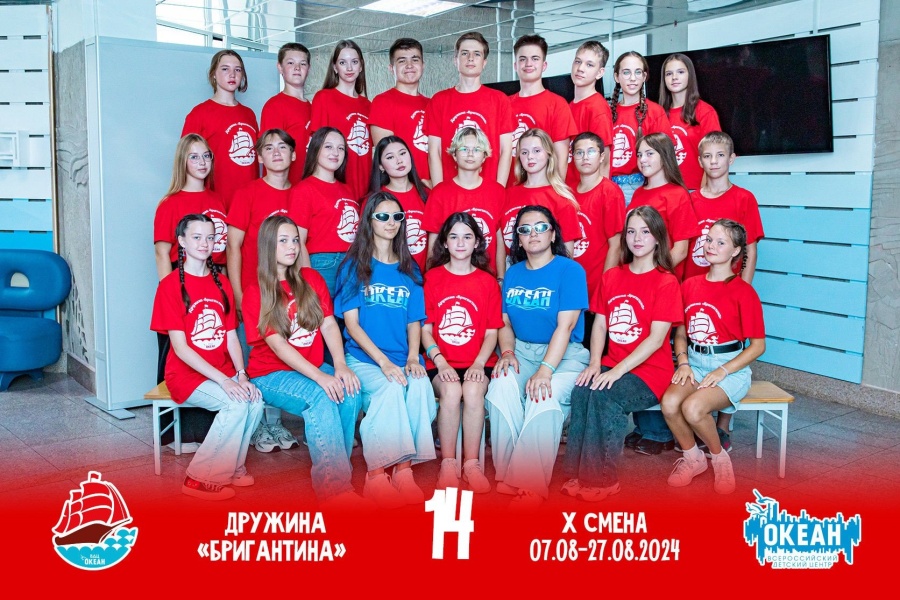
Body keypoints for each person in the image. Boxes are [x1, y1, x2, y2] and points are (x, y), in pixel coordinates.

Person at [241, 215, 367, 508]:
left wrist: (340, 366)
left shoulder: (311, 279)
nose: (292, 247)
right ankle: (335, 491)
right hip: (270, 373)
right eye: (283, 241)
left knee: (350, 391)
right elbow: (278, 346)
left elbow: (329, 325)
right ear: (268, 246)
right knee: (320, 396)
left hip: (310, 367)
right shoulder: (256, 292)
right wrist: (321, 377)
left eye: (295, 240)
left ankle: (338, 472)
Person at [561, 206, 682, 502]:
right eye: (631, 231)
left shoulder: (666, 281)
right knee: (582, 390)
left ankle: (603, 480)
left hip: (650, 373)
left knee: (606, 396)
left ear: (658, 238)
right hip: (612, 364)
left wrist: (616, 371)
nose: (637, 238)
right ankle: (576, 474)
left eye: (645, 231)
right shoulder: (612, 276)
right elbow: (600, 324)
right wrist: (595, 363)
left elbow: (656, 339)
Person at [150, 213, 264, 501]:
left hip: (222, 371)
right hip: (185, 375)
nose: (204, 243)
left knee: (255, 400)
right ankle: (199, 479)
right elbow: (181, 348)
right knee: (235, 404)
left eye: (210, 237)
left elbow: (231, 336)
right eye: (197, 237)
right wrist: (225, 381)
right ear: (182, 241)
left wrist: (241, 375)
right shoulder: (169, 286)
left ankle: (233, 468)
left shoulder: (222, 283)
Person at [335, 191, 437, 509]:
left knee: (419, 386)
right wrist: (383, 363)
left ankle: (404, 472)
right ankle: (376, 476)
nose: (391, 223)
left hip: (401, 358)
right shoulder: (354, 266)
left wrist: (413, 357)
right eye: (382, 216)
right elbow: (352, 325)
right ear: (369, 220)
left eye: (397, 217)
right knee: (392, 389)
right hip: (364, 359)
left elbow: (414, 321)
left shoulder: (410, 269)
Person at [486, 205, 590, 511]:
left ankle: (530, 486)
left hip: (565, 356)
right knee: (501, 385)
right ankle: (509, 473)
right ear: (518, 239)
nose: (533, 234)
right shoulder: (513, 273)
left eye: (541, 227)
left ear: (553, 234)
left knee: (542, 394)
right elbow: (504, 323)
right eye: (525, 229)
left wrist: (545, 370)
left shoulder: (570, 270)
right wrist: (507, 352)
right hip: (520, 350)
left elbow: (566, 326)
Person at [661, 219, 765, 494]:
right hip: (694, 363)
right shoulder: (689, 285)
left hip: (729, 368)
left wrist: (723, 371)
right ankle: (693, 459)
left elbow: (757, 346)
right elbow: (681, 333)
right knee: (669, 403)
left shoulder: (744, 292)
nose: (711, 246)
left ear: (735, 251)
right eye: (708, 240)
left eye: (720, 242)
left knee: (693, 408)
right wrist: (683, 362)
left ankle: (720, 459)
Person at [153, 134, 229, 447]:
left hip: (213, 280)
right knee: (181, 359)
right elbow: (162, 253)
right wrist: (175, 295)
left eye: (206, 156)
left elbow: (222, 251)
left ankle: (216, 438)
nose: (202, 162)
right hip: (182, 285)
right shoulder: (170, 203)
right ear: (183, 161)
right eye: (194, 156)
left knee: (214, 351)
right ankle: (179, 437)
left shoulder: (217, 200)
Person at [626, 132, 699, 455]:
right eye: (639, 154)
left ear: (664, 156)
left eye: (649, 154)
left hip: (661, 284)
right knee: (635, 345)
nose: (643, 160)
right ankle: (643, 426)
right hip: (636, 286)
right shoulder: (638, 193)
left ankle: (659, 432)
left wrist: (654, 274)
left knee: (659, 353)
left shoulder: (677, 194)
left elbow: (681, 247)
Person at [226, 129, 298, 452]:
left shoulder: (299, 194)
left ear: (293, 154)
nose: (276, 153)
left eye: (283, 147)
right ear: (259, 156)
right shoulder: (248, 193)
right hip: (254, 293)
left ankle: (275, 423)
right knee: (255, 359)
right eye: (268, 148)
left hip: (288, 294)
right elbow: (233, 247)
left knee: (278, 357)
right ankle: (256, 426)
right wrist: (240, 296)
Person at [422, 213, 503, 493]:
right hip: (440, 362)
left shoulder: (487, 282)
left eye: (467, 237)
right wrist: (440, 361)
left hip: (478, 361)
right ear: (444, 242)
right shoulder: (431, 279)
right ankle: (448, 464)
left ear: (477, 242)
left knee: (472, 390)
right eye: (453, 236)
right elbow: (425, 330)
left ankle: (471, 464)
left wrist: (479, 364)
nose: (460, 242)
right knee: (451, 391)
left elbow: (492, 332)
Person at [424, 31, 515, 187]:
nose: (470, 58)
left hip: (488, 190)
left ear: (484, 62)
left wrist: (498, 190)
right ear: (455, 60)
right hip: (451, 191)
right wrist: (440, 191)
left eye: (477, 54)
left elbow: (506, 151)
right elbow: (434, 152)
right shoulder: (439, 100)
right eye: (465, 53)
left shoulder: (500, 100)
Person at [422, 127, 506, 275]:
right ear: (454, 155)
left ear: (484, 156)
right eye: (464, 149)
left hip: (487, 278)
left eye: (477, 149)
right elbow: (433, 245)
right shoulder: (439, 193)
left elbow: (500, 241)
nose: (470, 154)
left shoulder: (497, 191)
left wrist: (500, 278)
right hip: (449, 278)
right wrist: (431, 278)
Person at [287, 127, 360, 298]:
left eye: (341, 148)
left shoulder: (348, 190)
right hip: (323, 265)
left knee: (349, 316)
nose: (335, 152)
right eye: (328, 146)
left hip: (353, 264)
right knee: (323, 314)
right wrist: (308, 281)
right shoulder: (304, 189)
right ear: (315, 149)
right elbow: (298, 241)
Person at [182, 49, 258, 210]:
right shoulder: (199, 113)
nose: (232, 74)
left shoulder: (249, 114)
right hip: (215, 204)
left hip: (249, 203)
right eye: (225, 69)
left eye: (237, 70)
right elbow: (185, 162)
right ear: (214, 74)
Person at [684, 131, 764, 284]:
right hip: (693, 287)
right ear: (700, 161)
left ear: (731, 158)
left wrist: (743, 289)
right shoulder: (688, 200)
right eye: (707, 156)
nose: (714, 161)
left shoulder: (744, 199)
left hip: (728, 287)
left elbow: (750, 250)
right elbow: (683, 249)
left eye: (720, 155)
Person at [570, 132, 625, 348]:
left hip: (596, 284)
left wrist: (605, 286)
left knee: (593, 348)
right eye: (579, 152)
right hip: (573, 284)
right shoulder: (567, 193)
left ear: (602, 157)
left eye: (591, 152)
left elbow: (616, 244)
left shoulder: (610, 192)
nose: (585, 157)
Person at [500, 128, 580, 276]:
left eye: (536, 151)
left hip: (548, 271)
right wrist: (501, 276)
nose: (530, 157)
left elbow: (567, 254)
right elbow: (500, 241)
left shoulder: (561, 199)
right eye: (524, 152)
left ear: (549, 154)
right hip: (512, 270)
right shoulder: (507, 194)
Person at [507, 34, 577, 184]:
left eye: (535, 58)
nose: (528, 63)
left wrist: (555, 193)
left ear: (544, 65)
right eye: (523, 59)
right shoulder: (504, 104)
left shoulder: (557, 104)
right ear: (515, 65)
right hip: (509, 190)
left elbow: (561, 158)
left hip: (542, 190)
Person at [608, 51, 673, 206]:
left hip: (641, 185)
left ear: (644, 77)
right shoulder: (606, 113)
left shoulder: (655, 111)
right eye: (626, 72)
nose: (632, 78)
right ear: (616, 77)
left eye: (638, 72)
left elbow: (665, 156)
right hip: (609, 186)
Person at [310, 40, 372, 201]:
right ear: (335, 67)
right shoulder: (324, 98)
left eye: (354, 62)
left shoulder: (368, 105)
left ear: (361, 66)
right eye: (343, 62)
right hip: (336, 187)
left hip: (365, 187)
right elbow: (317, 148)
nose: (349, 68)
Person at [369, 38, 431, 187]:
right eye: (402, 61)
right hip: (404, 189)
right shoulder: (383, 102)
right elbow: (387, 154)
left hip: (432, 188)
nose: (409, 65)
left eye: (415, 60)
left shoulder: (432, 104)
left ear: (422, 65)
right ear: (392, 68)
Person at [659, 53, 722, 191]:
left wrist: (703, 194)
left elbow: (713, 157)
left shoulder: (705, 112)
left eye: (680, 72)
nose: (674, 77)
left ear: (690, 75)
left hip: (695, 190)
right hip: (665, 191)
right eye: (669, 74)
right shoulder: (658, 113)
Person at [368, 135, 429, 273]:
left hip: (424, 276)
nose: (399, 160)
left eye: (402, 153)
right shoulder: (375, 200)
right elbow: (366, 243)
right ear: (381, 166)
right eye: (390, 157)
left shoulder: (427, 195)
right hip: (389, 277)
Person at [260, 43, 312, 185]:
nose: (297, 68)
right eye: (290, 63)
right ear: (280, 68)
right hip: (286, 189)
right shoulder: (274, 107)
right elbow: (270, 156)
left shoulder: (313, 107)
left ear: (308, 69)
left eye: (302, 63)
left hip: (309, 188)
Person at [567, 40, 613, 187]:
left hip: (586, 191)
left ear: (600, 73)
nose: (580, 68)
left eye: (589, 65)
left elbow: (604, 160)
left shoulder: (597, 108)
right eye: (578, 61)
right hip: (569, 189)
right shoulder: (568, 106)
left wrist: (600, 195)